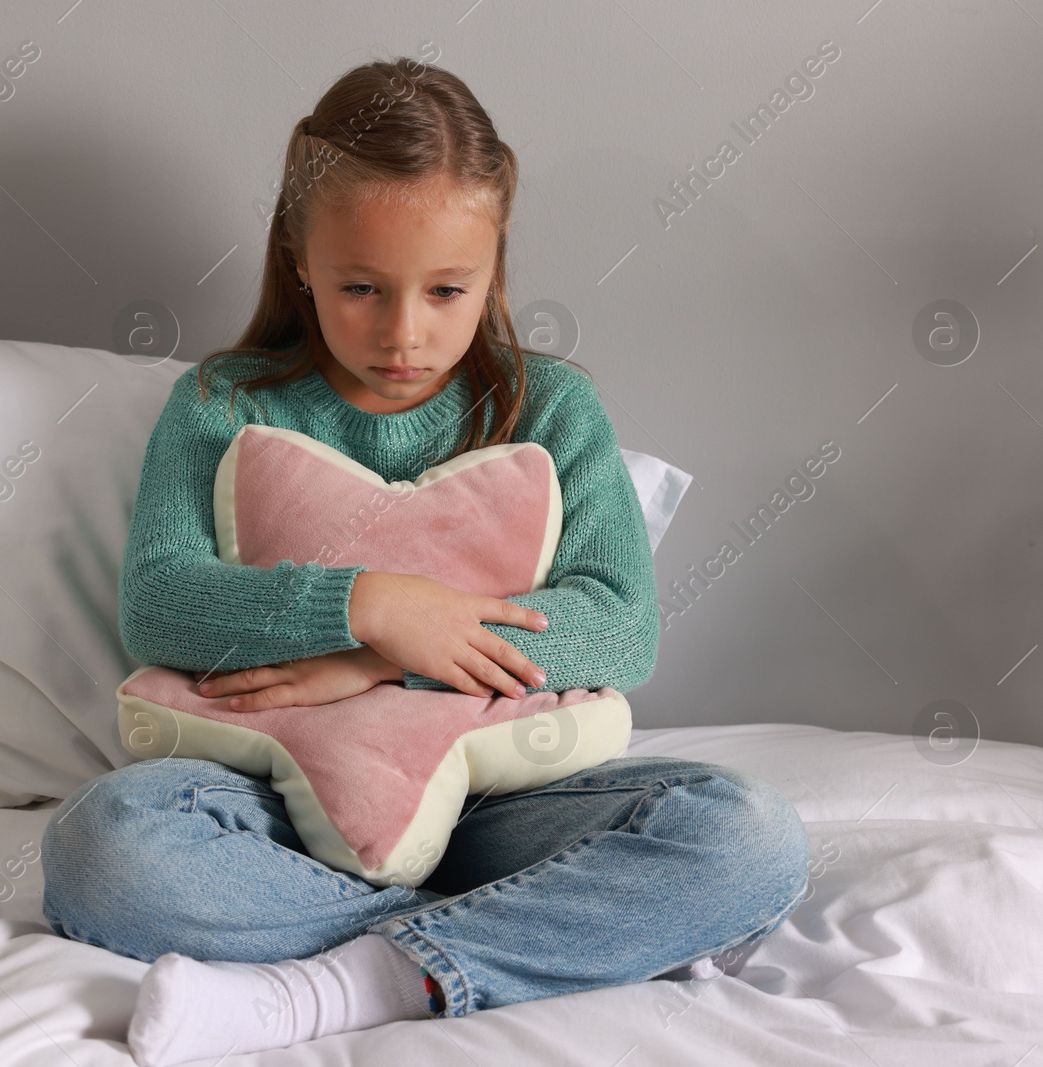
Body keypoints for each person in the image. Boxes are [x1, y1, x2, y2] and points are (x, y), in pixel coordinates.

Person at [41, 55, 809, 1067]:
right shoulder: (225, 402)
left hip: (506, 793)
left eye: (448, 289)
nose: (405, 333)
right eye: (361, 287)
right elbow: (160, 603)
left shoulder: (552, 409)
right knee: (101, 846)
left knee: (746, 835)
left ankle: (344, 984)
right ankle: (539, 935)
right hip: (283, 800)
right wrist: (367, 600)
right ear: (299, 257)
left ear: (494, 265)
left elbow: (619, 624)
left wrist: (391, 654)